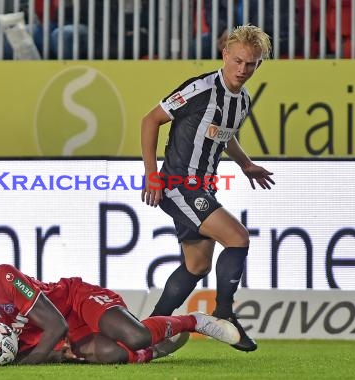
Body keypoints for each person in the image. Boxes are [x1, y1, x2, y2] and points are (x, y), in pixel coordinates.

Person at [140, 24, 274, 353]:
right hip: (178, 185)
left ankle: (149, 333)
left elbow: (224, 138)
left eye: (251, 64)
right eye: (238, 60)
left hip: (202, 189)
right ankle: (225, 314)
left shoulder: (241, 100)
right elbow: (150, 119)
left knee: (196, 266)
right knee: (237, 237)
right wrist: (151, 173)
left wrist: (245, 164)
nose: (243, 69)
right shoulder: (201, 88)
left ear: (259, 64)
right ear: (225, 54)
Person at [0, 262, 240, 365]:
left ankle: (195, 321)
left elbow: (56, 325)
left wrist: (29, 363)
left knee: (135, 336)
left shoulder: (5, 278)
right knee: (110, 354)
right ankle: (155, 351)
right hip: (53, 333)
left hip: (72, 301)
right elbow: (0, 360)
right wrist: (54, 355)